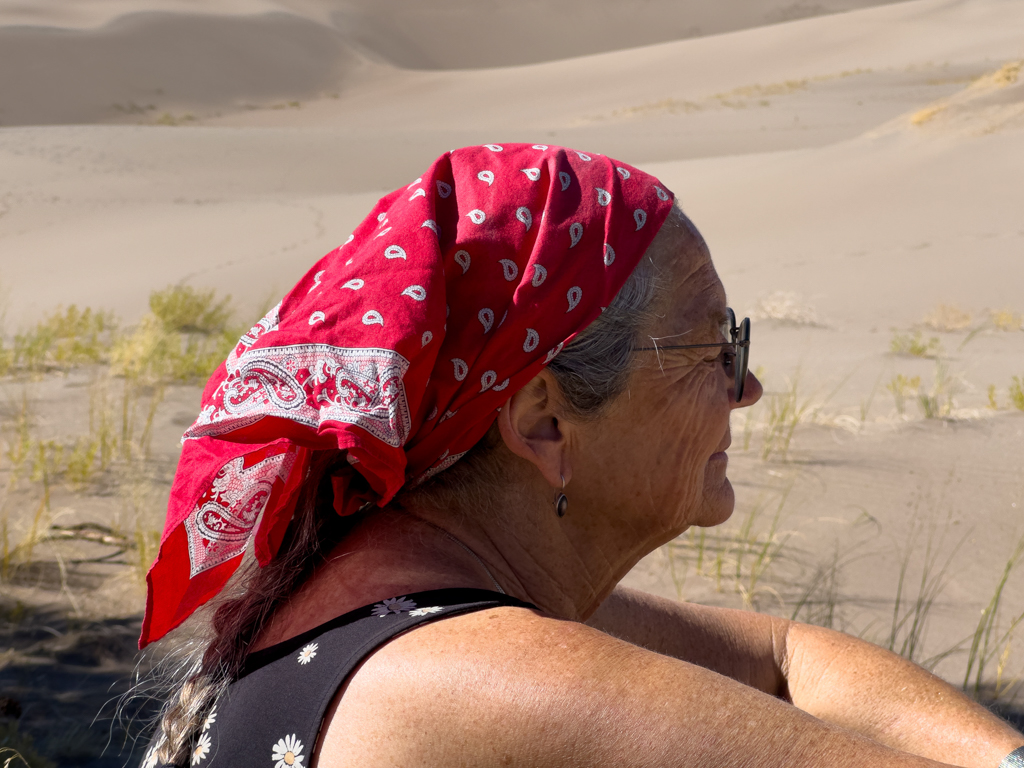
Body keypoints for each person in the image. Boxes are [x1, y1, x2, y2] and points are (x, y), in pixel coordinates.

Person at [141, 144, 1023, 768]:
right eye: (713, 347)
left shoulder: (389, 591)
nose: (745, 389)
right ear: (544, 422)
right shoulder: (490, 679)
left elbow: (790, 658)